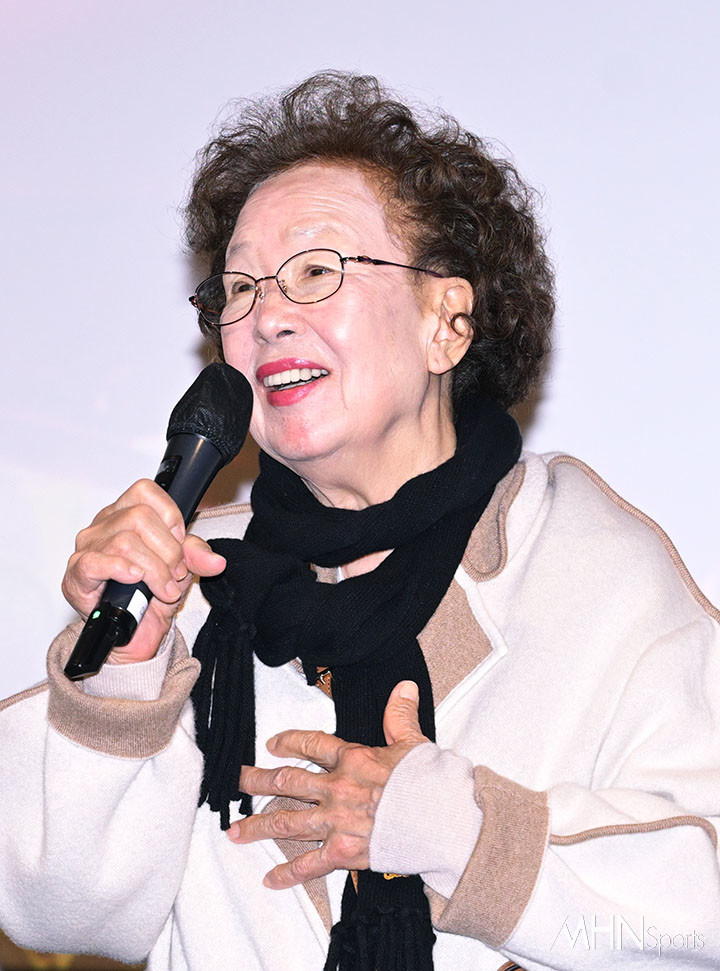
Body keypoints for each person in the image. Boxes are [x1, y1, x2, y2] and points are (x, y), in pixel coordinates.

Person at [0, 71, 718, 971]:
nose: (266, 318)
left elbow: (699, 919)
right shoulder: (190, 577)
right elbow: (56, 912)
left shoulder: (585, 563)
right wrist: (118, 677)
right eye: (239, 289)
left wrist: (454, 831)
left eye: (315, 271)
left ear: (447, 321)